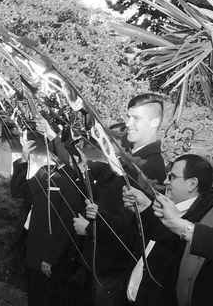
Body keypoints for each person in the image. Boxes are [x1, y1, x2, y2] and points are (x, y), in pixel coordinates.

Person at [73, 93, 167, 306]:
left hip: (113, 271)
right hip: (98, 264)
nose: (128, 124)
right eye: (128, 116)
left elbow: (128, 230)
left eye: (136, 118)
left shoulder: (149, 167)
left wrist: (91, 224)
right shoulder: (130, 160)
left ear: (155, 122)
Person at [122, 154, 213, 306]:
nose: (165, 181)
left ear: (192, 184)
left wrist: (178, 224)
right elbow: (172, 240)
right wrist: (146, 209)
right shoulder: (211, 204)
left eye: (172, 176)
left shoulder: (197, 209)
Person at [11, 122, 84, 306]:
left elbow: (66, 224)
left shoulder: (72, 180)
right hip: (31, 251)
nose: (51, 150)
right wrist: (24, 159)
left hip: (49, 257)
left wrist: (51, 258)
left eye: (56, 146)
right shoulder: (45, 172)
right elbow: (19, 191)